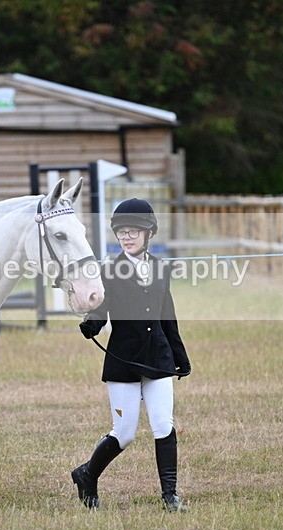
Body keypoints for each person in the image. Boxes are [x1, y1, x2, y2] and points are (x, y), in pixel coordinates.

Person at [72, 198, 191, 512]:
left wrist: (179, 355)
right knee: (123, 434)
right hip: (123, 361)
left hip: (159, 359)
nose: (127, 237)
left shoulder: (161, 269)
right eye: (122, 232)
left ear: (148, 232)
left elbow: (168, 316)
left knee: (163, 425)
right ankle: (86, 474)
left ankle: (170, 496)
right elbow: (100, 309)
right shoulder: (107, 270)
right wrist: (92, 325)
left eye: (133, 231)